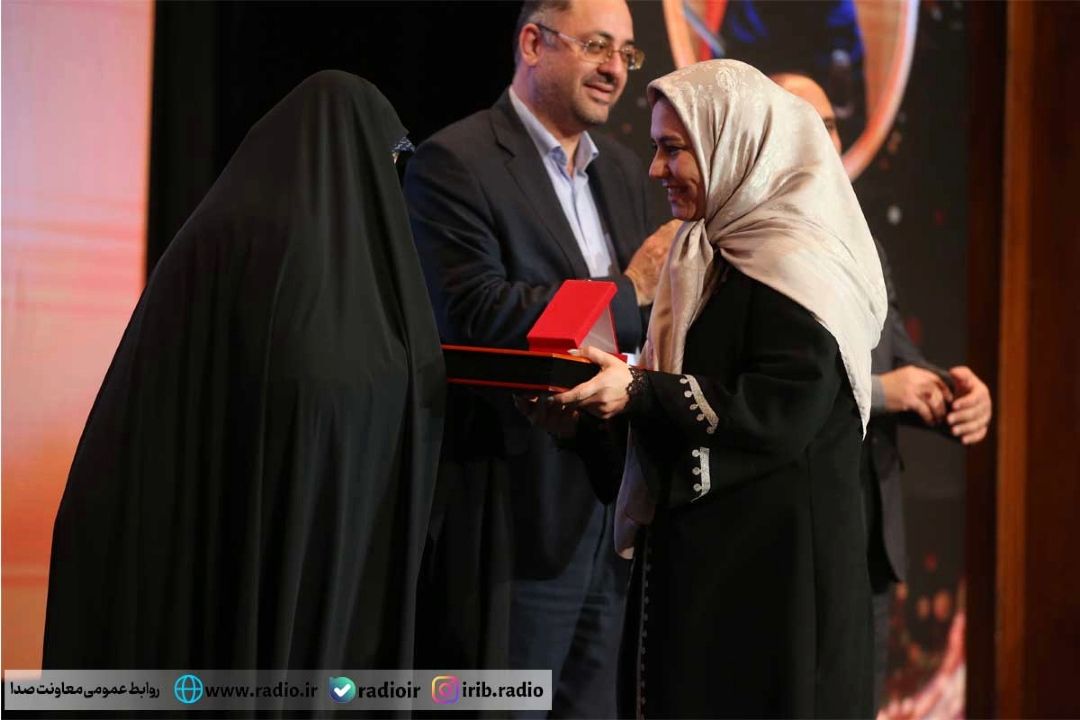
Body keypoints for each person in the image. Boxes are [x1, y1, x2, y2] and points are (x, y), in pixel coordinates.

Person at [42, 71, 445, 670]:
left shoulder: (347, 271)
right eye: (382, 157)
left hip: (311, 562)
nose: (389, 176)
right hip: (224, 551)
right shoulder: (238, 243)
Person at [551, 59, 887, 717]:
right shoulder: (700, 255)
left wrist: (639, 391)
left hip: (776, 590)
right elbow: (676, 416)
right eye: (657, 148)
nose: (656, 169)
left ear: (735, 145)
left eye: (674, 148)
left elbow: (779, 411)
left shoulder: (801, 267)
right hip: (706, 575)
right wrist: (588, 419)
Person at [404, 0, 675, 715]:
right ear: (532, 42)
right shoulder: (455, 162)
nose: (616, 69)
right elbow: (477, 315)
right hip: (513, 514)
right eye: (596, 46)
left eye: (626, 53)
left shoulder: (625, 171)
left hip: (613, 511)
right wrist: (629, 291)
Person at [770, 71, 993, 707]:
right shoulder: (741, 245)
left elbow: (896, 352)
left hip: (868, 544)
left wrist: (952, 394)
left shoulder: (860, 239)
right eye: (804, 125)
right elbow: (758, 389)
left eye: (831, 127)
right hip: (789, 547)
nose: (824, 141)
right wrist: (882, 392)